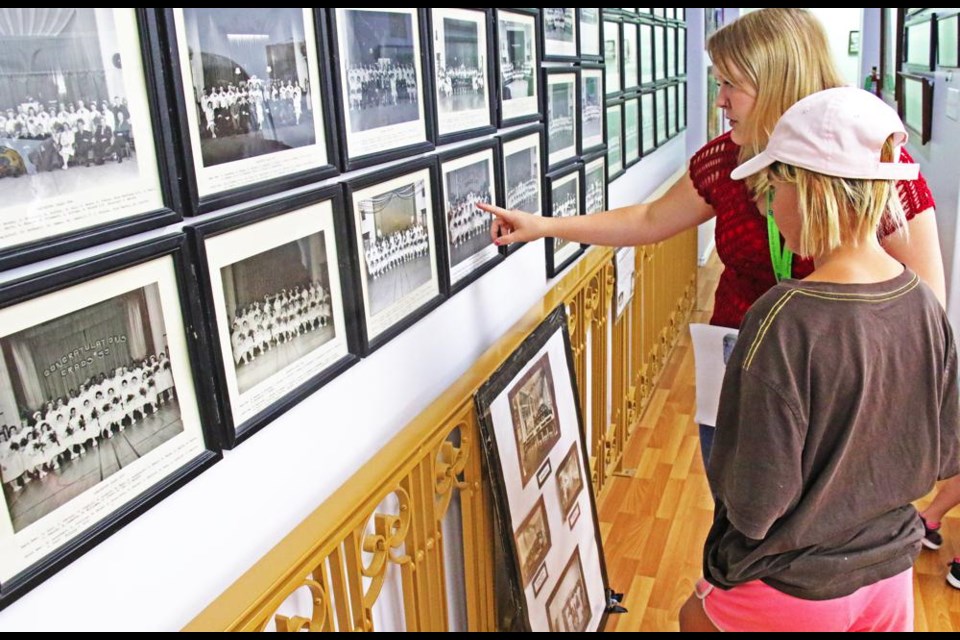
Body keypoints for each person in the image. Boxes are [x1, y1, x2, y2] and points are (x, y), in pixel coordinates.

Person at [479, 8, 945, 466]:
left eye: (730, 85)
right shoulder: (724, 161)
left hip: (835, 385)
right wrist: (544, 226)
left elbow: (925, 306)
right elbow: (648, 220)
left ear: (776, 82)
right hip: (739, 369)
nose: (719, 100)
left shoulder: (872, 168)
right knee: (736, 510)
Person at [675, 87, 960, 632]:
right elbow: (942, 451)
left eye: (772, 189)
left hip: (795, 586)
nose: (767, 205)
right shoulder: (924, 301)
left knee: (693, 617)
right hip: (888, 572)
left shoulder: (782, 320)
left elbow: (756, 503)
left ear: (807, 192)